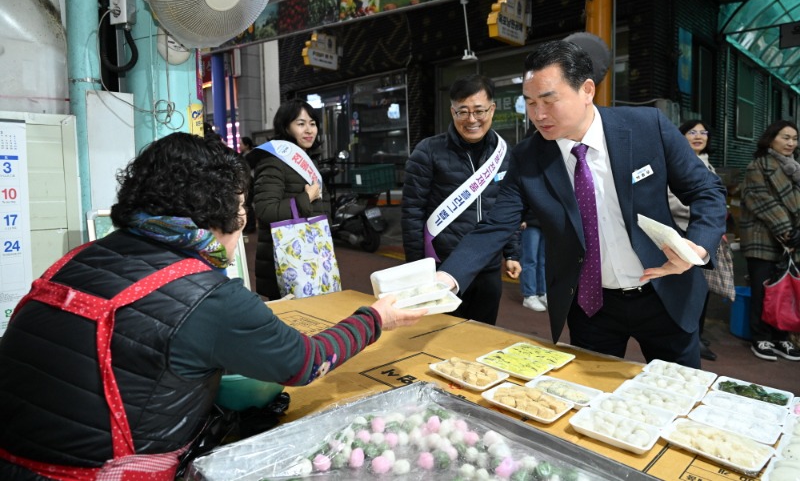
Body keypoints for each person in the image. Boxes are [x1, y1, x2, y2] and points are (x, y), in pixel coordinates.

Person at [0, 132, 427, 480]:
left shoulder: (79, 258)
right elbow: (306, 362)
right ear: (217, 212)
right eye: (242, 208)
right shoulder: (207, 295)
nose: (244, 222)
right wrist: (376, 317)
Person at [436, 40, 728, 368]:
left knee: (678, 396)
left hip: (665, 293)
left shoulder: (647, 127)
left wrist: (698, 248)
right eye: (530, 103)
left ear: (586, 90)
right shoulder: (528, 157)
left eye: (549, 100)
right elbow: (494, 227)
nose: (538, 115)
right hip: (592, 304)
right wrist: (445, 280)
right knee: (591, 401)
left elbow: (707, 191)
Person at [402, 74, 520, 325]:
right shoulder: (428, 150)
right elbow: (412, 211)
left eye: (479, 111)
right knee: (438, 337)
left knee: (484, 334)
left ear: (492, 109)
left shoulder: (503, 152)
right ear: (452, 111)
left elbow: (506, 206)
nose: (472, 120)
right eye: (462, 112)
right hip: (442, 266)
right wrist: (416, 268)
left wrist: (512, 252)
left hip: (487, 266)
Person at [252, 100, 330, 300]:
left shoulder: (309, 161)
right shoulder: (273, 161)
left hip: (312, 256)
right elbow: (265, 210)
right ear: (285, 127)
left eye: (312, 123)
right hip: (285, 262)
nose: (309, 130)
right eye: (301, 123)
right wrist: (306, 198)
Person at [739, 119, 800, 361]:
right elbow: (762, 202)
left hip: (792, 242)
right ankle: (760, 337)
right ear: (771, 138)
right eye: (785, 137)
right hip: (763, 238)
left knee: (787, 292)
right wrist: (789, 232)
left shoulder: (795, 168)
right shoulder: (758, 166)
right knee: (763, 291)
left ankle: (782, 338)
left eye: (794, 138)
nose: (791, 143)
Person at [667, 120, 722, 361]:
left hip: (704, 237)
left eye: (703, 132)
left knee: (703, 289)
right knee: (688, 289)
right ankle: (691, 335)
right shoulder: (676, 162)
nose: (699, 136)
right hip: (684, 235)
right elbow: (673, 200)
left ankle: (697, 332)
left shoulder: (707, 163)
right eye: (692, 132)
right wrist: (704, 220)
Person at [520, 215, 547, 312]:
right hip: (530, 222)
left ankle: (542, 293)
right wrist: (522, 218)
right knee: (530, 260)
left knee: (543, 261)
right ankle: (529, 295)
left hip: (546, 224)